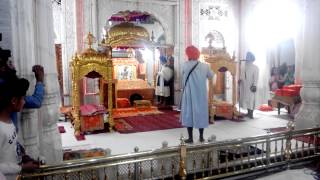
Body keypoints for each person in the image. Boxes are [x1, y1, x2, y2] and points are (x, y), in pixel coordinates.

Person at [0, 77, 39, 180]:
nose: (24, 102)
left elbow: (9, 145)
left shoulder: (8, 120)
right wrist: (22, 167)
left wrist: (21, 156)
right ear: (13, 100)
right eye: (22, 98)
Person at [0, 48, 44, 131]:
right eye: (9, 63)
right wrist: (40, 81)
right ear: (2, 68)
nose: (13, 66)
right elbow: (36, 101)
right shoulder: (7, 88)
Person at [180, 45, 214, 143]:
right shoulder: (205, 66)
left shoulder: (185, 65)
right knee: (201, 114)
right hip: (201, 95)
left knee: (188, 114)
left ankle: (190, 138)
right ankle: (201, 137)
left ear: (188, 55)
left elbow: (182, 77)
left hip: (189, 94)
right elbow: (211, 76)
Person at [239, 52, 259, 119]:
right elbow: (242, 77)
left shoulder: (255, 67)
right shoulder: (244, 67)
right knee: (246, 99)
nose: (247, 59)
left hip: (251, 86)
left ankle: (251, 114)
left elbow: (256, 78)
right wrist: (240, 80)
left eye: (248, 57)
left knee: (251, 99)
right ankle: (248, 112)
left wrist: (254, 85)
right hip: (245, 86)